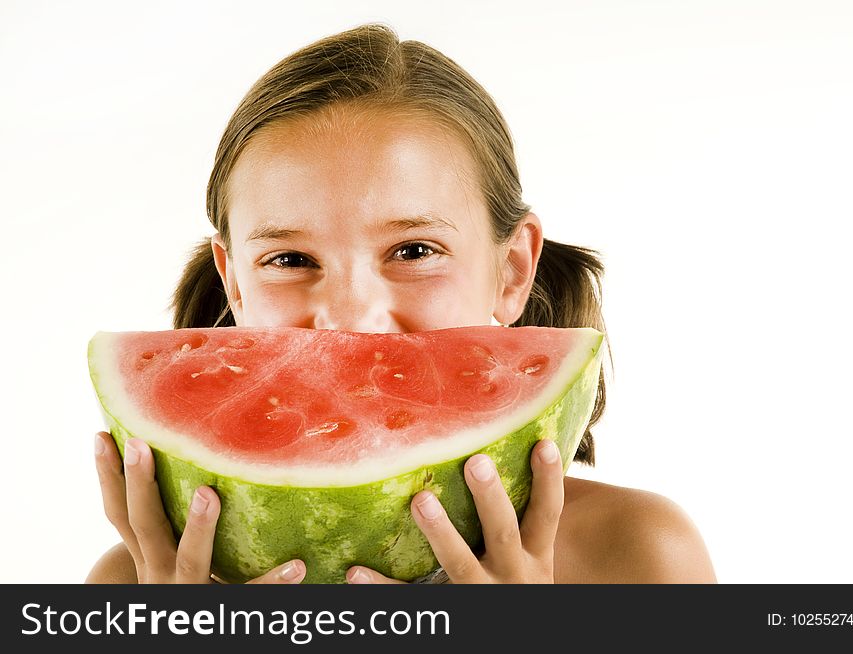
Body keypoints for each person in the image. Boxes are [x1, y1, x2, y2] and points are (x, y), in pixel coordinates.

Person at [88, 23, 716, 584]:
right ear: (235, 286)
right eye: (288, 260)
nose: (350, 316)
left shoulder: (633, 556)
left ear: (512, 270)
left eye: (414, 251)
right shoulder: (142, 584)